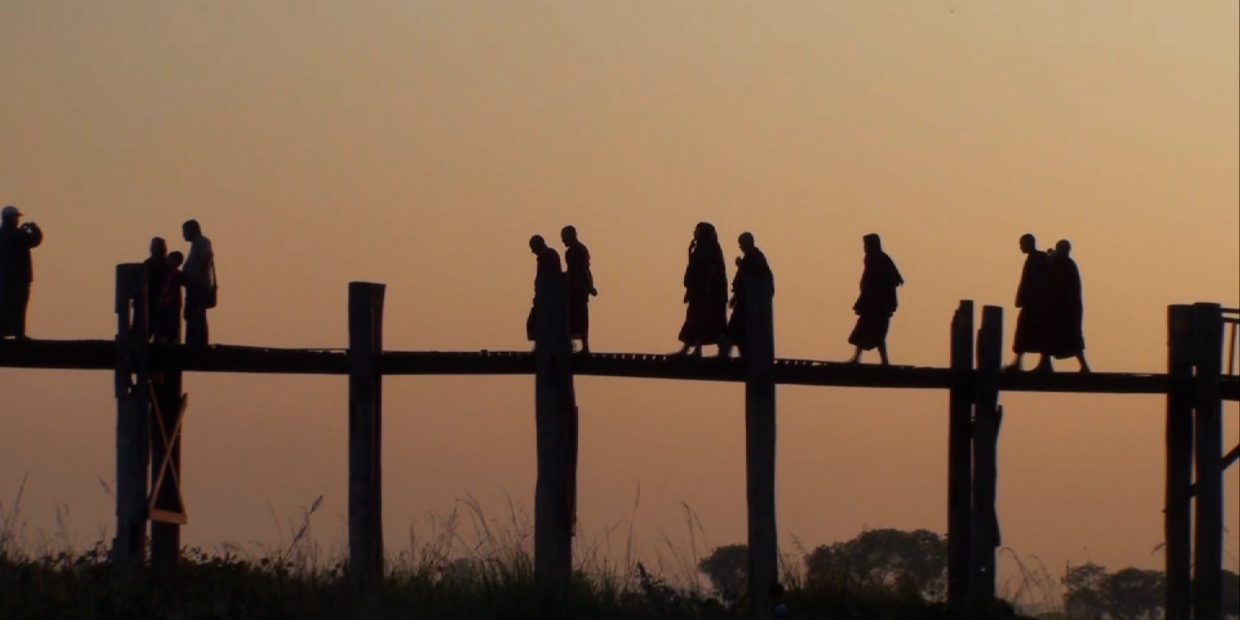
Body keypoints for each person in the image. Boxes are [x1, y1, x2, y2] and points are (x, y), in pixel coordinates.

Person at [848, 233, 903, 365]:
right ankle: (864, 358)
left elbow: (893, 279)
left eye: (866, 245)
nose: (864, 247)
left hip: (877, 304)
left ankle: (879, 360)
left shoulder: (876, 258)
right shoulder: (879, 258)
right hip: (875, 304)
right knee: (867, 331)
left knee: (873, 332)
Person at [676, 222, 728, 357]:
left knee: (704, 321)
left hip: (707, 293)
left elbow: (708, 269)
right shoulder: (701, 248)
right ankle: (693, 348)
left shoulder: (710, 248)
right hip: (700, 292)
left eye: (697, 231)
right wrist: (690, 251)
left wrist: (706, 285)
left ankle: (713, 349)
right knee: (695, 320)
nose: (694, 233)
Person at [721, 232, 774, 358]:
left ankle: (725, 355)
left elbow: (753, 275)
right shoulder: (751, 257)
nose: (740, 247)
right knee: (739, 331)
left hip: (749, 303)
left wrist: (741, 265)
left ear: (748, 243)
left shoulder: (755, 257)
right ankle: (741, 356)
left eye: (741, 244)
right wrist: (735, 297)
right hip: (745, 301)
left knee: (735, 329)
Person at [1005, 233, 1051, 372]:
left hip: (1036, 304)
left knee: (1036, 333)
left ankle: (1043, 363)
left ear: (1029, 244)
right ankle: (1022, 362)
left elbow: (1039, 282)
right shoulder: (1035, 258)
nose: (1021, 247)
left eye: (1022, 244)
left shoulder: (1039, 258)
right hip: (1032, 303)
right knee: (1025, 333)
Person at [1045, 239, 1090, 373]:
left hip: (1066, 309)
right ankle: (1045, 363)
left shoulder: (1066, 265)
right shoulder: (1065, 264)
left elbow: (1061, 285)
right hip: (1063, 308)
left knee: (1072, 338)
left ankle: (1084, 366)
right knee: (1049, 336)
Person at [0, 205, 44, 339]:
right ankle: (19, 335)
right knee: (18, 308)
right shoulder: (20, 235)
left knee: (3, 307)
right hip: (19, 281)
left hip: (3, 281)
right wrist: (34, 228)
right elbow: (36, 240)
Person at [561, 225, 597, 354]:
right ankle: (581, 345)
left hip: (577, 289)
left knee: (577, 317)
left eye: (564, 238)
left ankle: (581, 346)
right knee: (578, 317)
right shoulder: (581, 249)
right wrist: (590, 286)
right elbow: (586, 270)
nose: (563, 241)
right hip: (579, 288)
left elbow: (580, 270)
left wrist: (589, 286)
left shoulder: (573, 252)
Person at [181, 219, 215, 346]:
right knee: (194, 313)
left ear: (193, 230)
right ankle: (195, 341)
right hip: (195, 284)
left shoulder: (202, 241)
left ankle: (197, 342)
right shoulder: (197, 243)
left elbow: (207, 256)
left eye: (185, 231)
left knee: (196, 313)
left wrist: (199, 275)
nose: (184, 235)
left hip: (199, 285)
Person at [525, 235, 564, 344]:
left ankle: (541, 345)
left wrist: (540, 296)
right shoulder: (550, 254)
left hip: (547, 297)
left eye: (533, 247)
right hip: (550, 296)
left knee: (536, 322)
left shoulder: (545, 256)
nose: (532, 251)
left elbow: (544, 278)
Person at [155, 252, 185, 344]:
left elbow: (168, 289)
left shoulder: (175, 274)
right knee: (170, 327)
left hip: (170, 304)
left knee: (168, 327)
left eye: (169, 258)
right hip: (170, 304)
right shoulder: (173, 274)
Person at [143, 237, 169, 336]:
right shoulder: (148, 263)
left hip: (161, 299)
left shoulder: (165, 264)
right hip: (150, 298)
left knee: (159, 327)